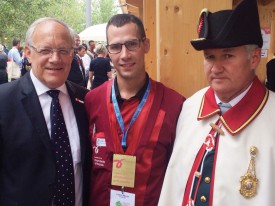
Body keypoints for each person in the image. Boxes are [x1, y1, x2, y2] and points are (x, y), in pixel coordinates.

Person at [158, 0, 275, 205]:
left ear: (254, 58)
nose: (216, 67)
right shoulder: (191, 107)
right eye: (209, 56)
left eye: (227, 56)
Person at [84, 14, 185, 206]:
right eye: (115, 47)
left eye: (132, 44)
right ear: (108, 51)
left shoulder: (174, 104)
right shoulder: (92, 100)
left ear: (145, 45)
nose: (124, 55)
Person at [0, 17, 91, 206]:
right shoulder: (3, 102)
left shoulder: (85, 100)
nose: (55, 58)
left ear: (72, 54)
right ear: (28, 53)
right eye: (45, 50)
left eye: (63, 51)